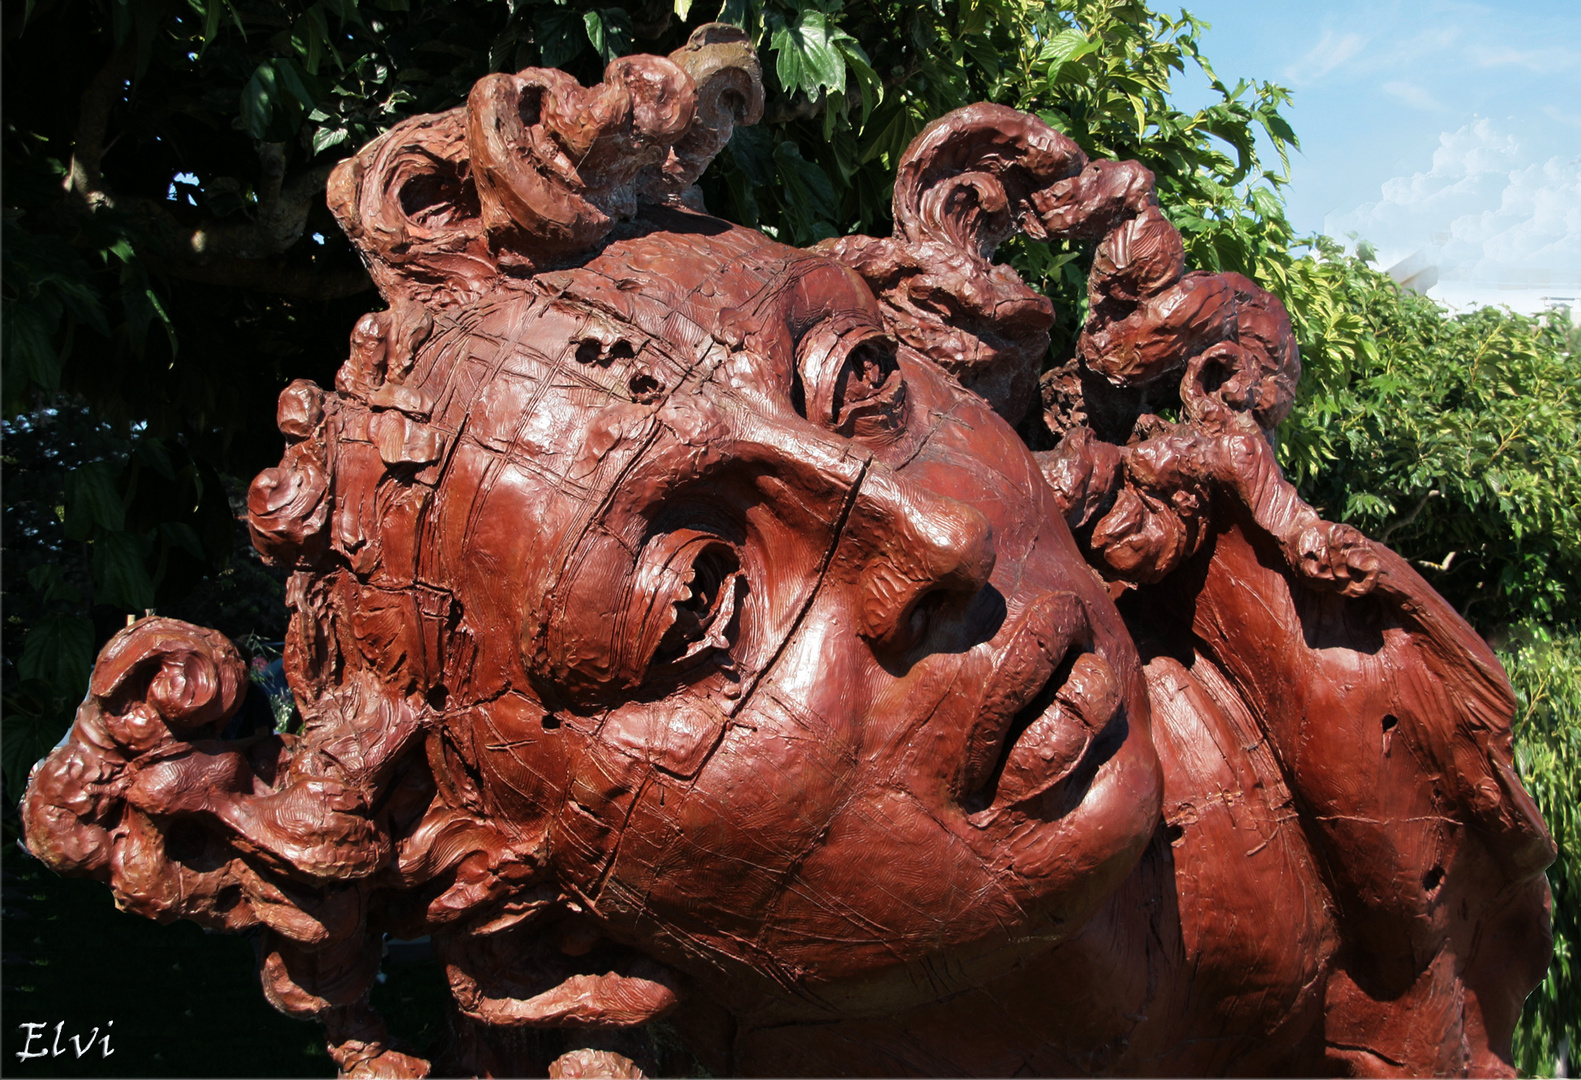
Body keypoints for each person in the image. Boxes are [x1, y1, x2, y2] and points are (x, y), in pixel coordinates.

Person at [22, 26, 1553, 1078]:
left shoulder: (1346, 707)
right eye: (697, 596)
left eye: (865, 385)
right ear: (534, 880)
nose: (942, 533)